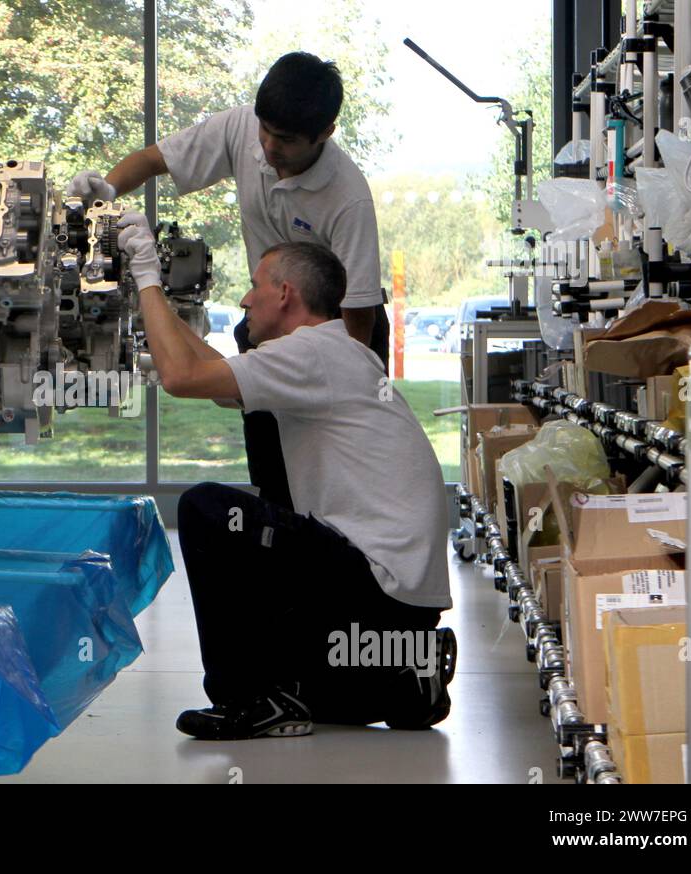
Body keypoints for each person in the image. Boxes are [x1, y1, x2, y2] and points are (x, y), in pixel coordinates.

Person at [116, 218, 455, 740]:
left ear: (285, 293)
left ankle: (248, 698)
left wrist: (146, 277)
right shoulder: (338, 350)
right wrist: (160, 306)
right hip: (396, 603)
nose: (247, 300)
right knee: (316, 695)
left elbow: (182, 378)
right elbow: (220, 382)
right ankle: (405, 677)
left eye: (255, 285)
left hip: (374, 583)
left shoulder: (311, 353)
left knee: (208, 510)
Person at [69, 51, 389, 510]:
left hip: (342, 330)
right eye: (265, 130)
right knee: (270, 465)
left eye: (285, 139)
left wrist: (339, 386)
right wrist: (106, 195)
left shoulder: (348, 197)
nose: (269, 147)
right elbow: (151, 160)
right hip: (272, 321)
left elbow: (358, 314)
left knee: (334, 472)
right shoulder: (242, 129)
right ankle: (280, 539)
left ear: (325, 134)